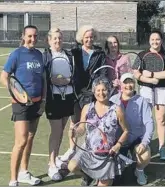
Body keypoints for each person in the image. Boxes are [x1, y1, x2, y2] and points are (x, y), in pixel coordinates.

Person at [0, 25, 46, 186]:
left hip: (37, 102)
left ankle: (24, 172)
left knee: (30, 138)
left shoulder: (39, 55)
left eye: (35, 36)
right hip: (21, 105)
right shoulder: (17, 54)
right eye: (30, 36)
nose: (33, 39)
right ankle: (13, 180)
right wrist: (17, 95)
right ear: (23, 36)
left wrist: (43, 101)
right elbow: (4, 77)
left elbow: (43, 79)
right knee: (21, 141)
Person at [67, 77, 129, 186]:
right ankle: (88, 176)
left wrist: (118, 145)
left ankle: (108, 176)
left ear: (109, 90)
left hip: (107, 153)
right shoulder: (87, 108)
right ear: (94, 91)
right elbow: (81, 128)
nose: (101, 93)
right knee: (71, 166)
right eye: (98, 90)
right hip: (89, 150)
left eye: (104, 90)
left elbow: (126, 131)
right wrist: (74, 132)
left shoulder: (117, 109)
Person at [59, 25, 107, 163]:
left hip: (92, 95)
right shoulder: (74, 52)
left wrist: (96, 87)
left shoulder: (100, 53)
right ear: (82, 38)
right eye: (86, 37)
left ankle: (91, 149)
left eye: (91, 37)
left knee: (92, 124)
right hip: (76, 93)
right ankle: (72, 149)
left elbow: (102, 74)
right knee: (74, 123)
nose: (89, 39)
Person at [132, 30, 165, 161]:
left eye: (157, 39)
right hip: (145, 90)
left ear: (161, 40)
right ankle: (142, 145)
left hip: (161, 90)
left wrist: (150, 74)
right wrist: (149, 80)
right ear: (149, 40)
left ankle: (162, 148)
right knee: (143, 120)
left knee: (161, 120)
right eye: (152, 39)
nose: (155, 42)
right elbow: (136, 73)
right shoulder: (141, 54)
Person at [42, 27, 76, 181]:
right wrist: (52, 80)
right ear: (49, 40)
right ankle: (51, 165)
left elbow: (74, 75)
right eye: (54, 38)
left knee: (61, 130)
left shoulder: (68, 55)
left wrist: (67, 81)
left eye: (59, 38)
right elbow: (44, 77)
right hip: (53, 99)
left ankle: (55, 159)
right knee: (56, 132)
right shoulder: (46, 56)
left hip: (68, 98)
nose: (57, 41)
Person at [109, 73, 154, 185]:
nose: (128, 85)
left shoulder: (142, 100)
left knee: (145, 154)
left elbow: (149, 123)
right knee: (116, 180)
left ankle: (139, 170)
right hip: (119, 142)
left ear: (134, 84)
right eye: (125, 82)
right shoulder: (113, 100)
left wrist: (144, 142)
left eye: (131, 82)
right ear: (120, 84)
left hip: (136, 140)